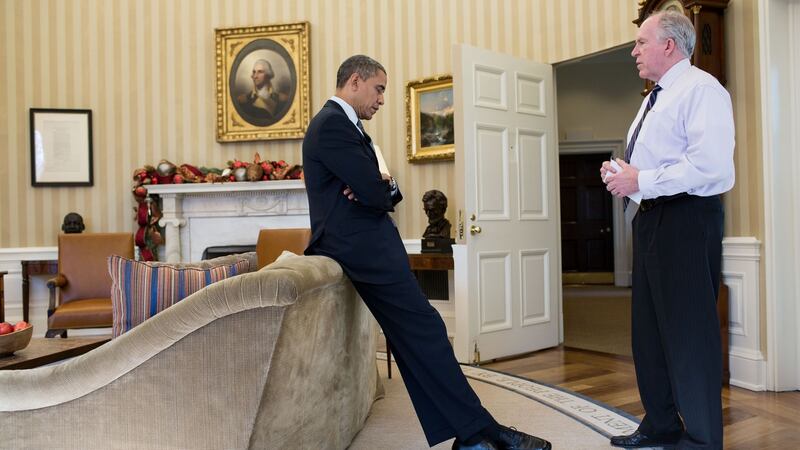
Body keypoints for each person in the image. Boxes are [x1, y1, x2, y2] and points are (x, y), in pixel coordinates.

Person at [303, 54, 551, 450]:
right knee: (427, 330)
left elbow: (382, 188)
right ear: (354, 81)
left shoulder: (346, 126)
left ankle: (476, 433)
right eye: (379, 89)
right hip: (360, 247)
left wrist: (383, 184)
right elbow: (375, 193)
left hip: (368, 245)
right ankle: (482, 432)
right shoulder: (332, 125)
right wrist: (377, 187)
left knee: (419, 335)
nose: (381, 99)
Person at [601, 11, 734, 450]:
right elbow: (656, 164)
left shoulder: (702, 90)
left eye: (641, 42)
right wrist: (624, 173)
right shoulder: (654, 96)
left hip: (687, 219)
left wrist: (641, 180)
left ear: (669, 46)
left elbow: (710, 167)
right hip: (653, 218)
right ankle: (660, 424)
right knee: (650, 331)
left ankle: (700, 441)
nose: (634, 50)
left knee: (689, 336)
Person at [236, 59, 288, 123]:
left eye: (260, 72)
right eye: (254, 72)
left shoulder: (282, 99)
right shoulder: (243, 100)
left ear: (268, 75)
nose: (255, 76)